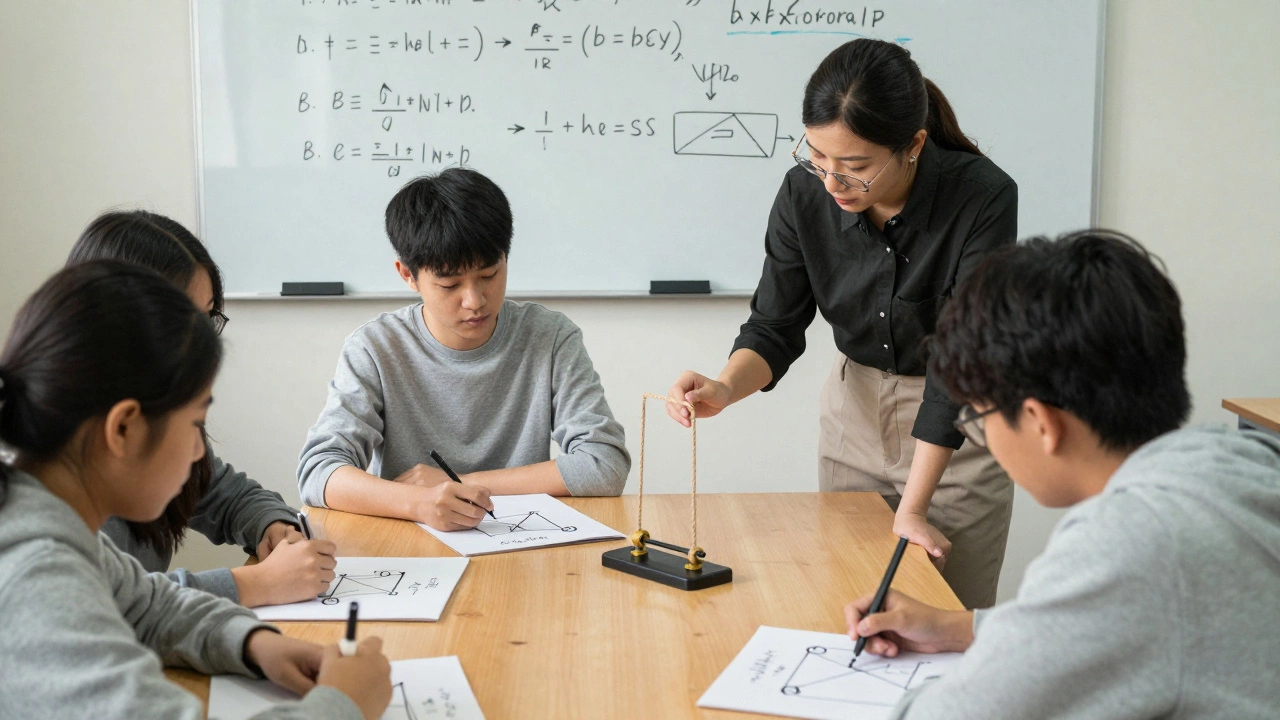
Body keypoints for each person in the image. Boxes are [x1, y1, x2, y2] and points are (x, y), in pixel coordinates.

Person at [846, 230, 1280, 718]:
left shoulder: (1127, 541)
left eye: (977, 418)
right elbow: (1129, 621)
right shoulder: (1238, 458)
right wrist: (959, 627)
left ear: (1040, 423)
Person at [666, 38, 1017, 608]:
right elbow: (775, 323)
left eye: (854, 168)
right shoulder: (803, 192)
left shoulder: (982, 197)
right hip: (854, 414)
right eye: (818, 158)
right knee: (847, 607)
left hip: (958, 431)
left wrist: (914, 508)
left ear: (913, 146)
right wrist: (725, 386)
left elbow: (960, 361)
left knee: (945, 620)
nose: (831, 183)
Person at [0, 261, 392, 719]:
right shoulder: (36, 576)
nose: (196, 453)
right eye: (194, 423)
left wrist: (253, 645)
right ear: (124, 428)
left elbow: (147, 608)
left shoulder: (50, 519)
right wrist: (345, 704)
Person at [298, 168, 630, 530]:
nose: (475, 300)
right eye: (449, 284)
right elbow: (320, 472)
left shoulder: (549, 338)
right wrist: (419, 503)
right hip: (413, 545)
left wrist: (458, 483)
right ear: (407, 275)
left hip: (522, 540)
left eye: (489, 275)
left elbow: (604, 464)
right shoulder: (376, 348)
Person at [67, 210, 336, 608]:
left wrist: (272, 524)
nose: (200, 343)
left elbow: (219, 491)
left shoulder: (159, 411)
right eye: (181, 320)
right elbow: (108, 606)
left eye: (207, 316)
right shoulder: (61, 465)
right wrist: (255, 583)